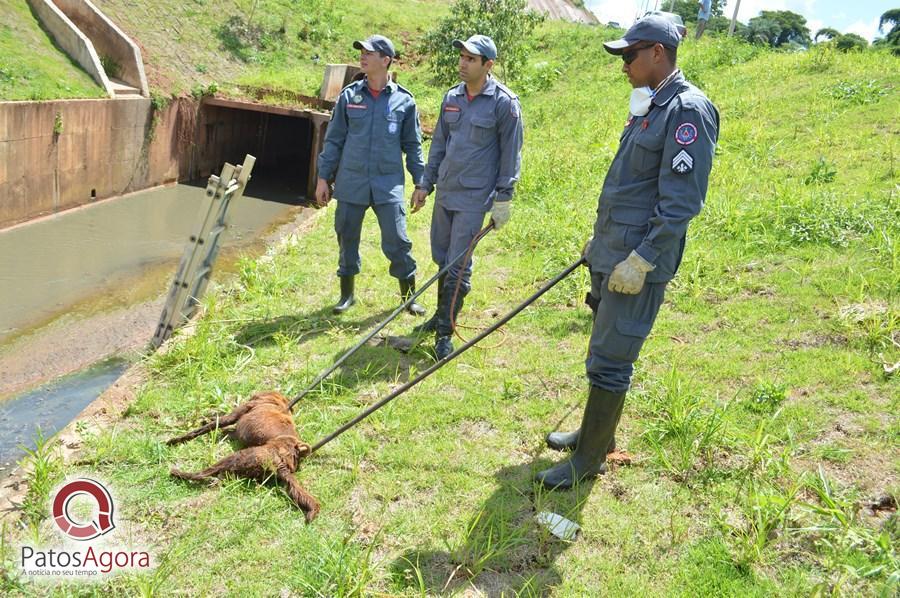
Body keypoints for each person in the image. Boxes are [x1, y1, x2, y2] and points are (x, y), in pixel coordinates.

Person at [535, 15, 719, 490]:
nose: (624, 66)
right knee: (602, 349)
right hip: (612, 252)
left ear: (658, 52)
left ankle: (590, 459)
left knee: (612, 359)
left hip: (637, 262)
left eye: (629, 55)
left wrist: (642, 259)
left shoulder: (687, 111)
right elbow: (629, 186)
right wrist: (601, 240)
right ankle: (594, 434)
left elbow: (681, 202)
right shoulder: (649, 106)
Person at [410, 35, 524, 360]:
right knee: (441, 258)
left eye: (471, 59)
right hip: (446, 192)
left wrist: (504, 198)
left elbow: (510, 154)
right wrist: (425, 184)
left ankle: (445, 334)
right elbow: (439, 147)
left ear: (488, 65)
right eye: (461, 56)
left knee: (458, 264)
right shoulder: (452, 98)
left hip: (475, 197)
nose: (463, 63)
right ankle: (438, 316)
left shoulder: (504, 103)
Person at [315, 34, 427, 316]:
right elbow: (334, 140)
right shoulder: (349, 97)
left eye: (369, 52)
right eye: (361, 51)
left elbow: (413, 145)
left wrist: (420, 182)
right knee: (346, 235)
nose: (362, 56)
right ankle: (347, 295)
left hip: (387, 183)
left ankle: (408, 298)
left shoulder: (404, 102)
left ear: (386, 60)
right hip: (351, 182)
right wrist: (322, 178)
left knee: (397, 239)